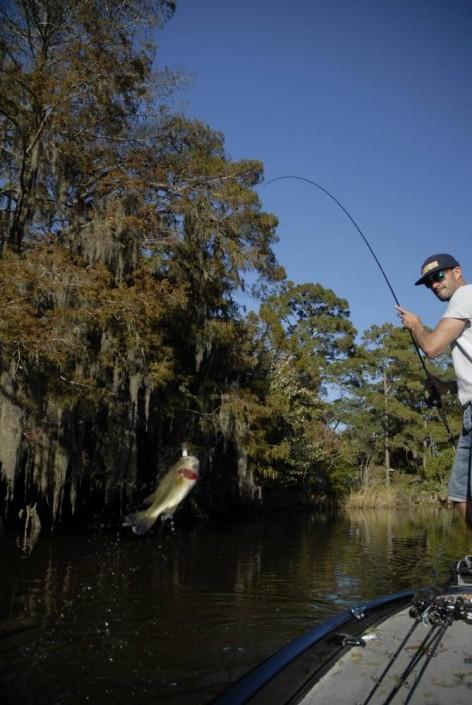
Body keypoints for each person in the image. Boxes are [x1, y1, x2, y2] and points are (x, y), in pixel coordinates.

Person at [396, 253, 472, 527]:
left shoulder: (465, 297)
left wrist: (416, 325)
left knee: (463, 495)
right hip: (468, 415)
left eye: (438, 276)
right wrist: (445, 387)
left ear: (457, 272)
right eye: (429, 282)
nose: (434, 285)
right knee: (460, 494)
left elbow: (432, 347)